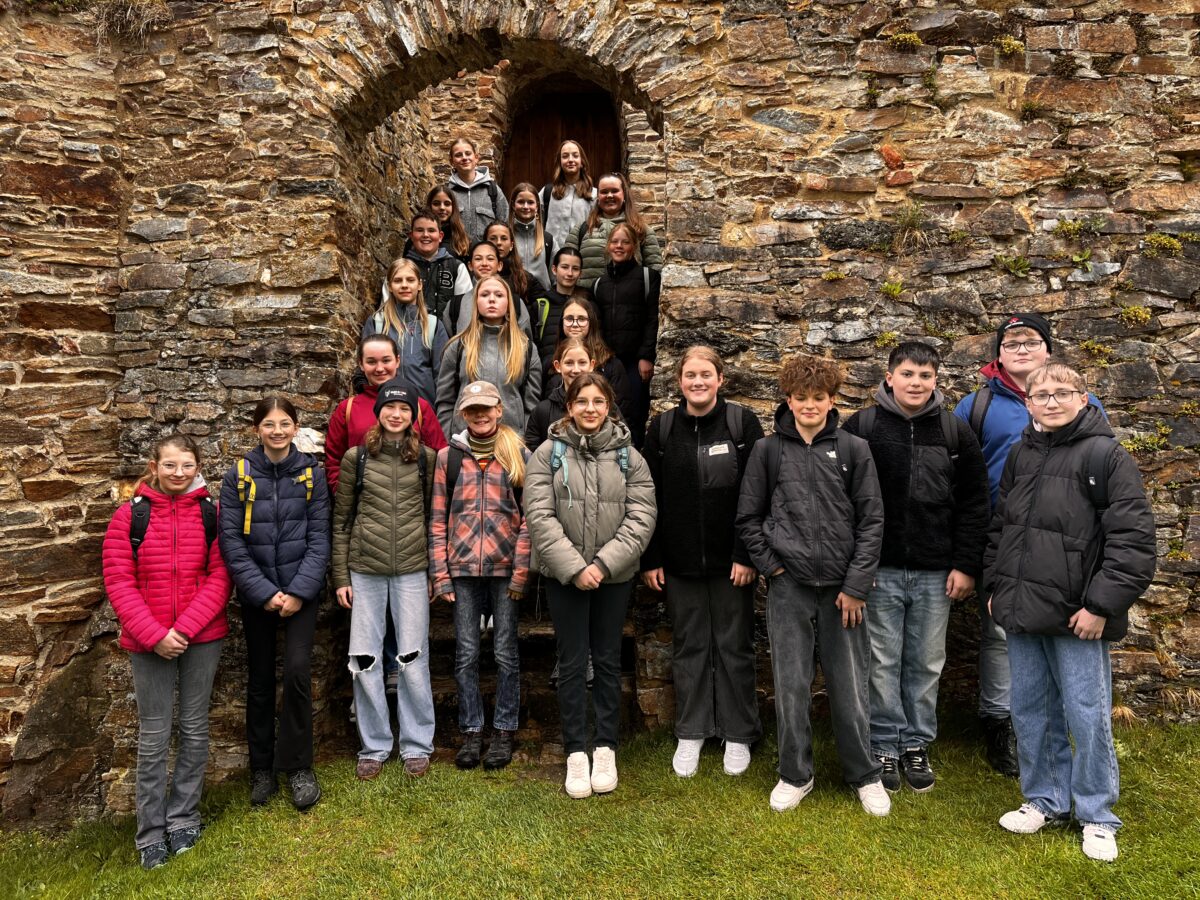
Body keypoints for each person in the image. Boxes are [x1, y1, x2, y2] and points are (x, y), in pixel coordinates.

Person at [983, 363, 1155, 862]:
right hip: (1022, 608)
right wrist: (995, 587)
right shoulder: (1021, 454)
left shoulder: (1106, 455)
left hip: (1078, 615)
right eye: (1041, 394)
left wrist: (1100, 606)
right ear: (1029, 403)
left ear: (1083, 398)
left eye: (1062, 392)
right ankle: (1045, 799)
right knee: (1030, 710)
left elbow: (1132, 540)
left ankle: (1097, 814)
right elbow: (1002, 527)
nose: (1051, 401)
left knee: (1086, 714)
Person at [953, 312, 1106, 778]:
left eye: (1031, 341)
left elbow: (1103, 473)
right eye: (1011, 342)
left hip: (1066, 548)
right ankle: (1001, 722)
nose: (1021, 349)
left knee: (1067, 641)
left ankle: (1062, 731)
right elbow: (958, 481)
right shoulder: (975, 406)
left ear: (1048, 351)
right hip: (1004, 542)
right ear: (998, 354)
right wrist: (970, 553)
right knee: (1002, 636)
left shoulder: (1085, 405)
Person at [735, 355, 888, 816]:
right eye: (800, 397)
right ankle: (794, 774)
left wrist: (856, 585)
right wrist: (773, 569)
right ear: (788, 399)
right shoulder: (768, 451)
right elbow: (749, 518)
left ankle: (864, 775)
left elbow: (872, 520)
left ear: (832, 400)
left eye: (818, 397)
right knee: (791, 684)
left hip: (844, 592)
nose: (809, 405)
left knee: (850, 686)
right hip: (790, 587)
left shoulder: (854, 449)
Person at [841, 342, 990, 794]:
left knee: (925, 662)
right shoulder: (863, 427)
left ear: (936, 380)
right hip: (879, 570)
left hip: (935, 572)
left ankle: (916, 743)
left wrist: (965, 564)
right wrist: (857, 567)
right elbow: (842, 502)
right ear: (889, 378)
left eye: (925, 376)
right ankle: (884, 744)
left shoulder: (954, 431)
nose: (916, 383)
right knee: (881, 662)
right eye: (907, 374)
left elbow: (975, 503)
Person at [101, 434, 231, 870]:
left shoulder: (212, 514)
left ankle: (183, 819)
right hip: (147, 640)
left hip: (202, 636)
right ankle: (150, 833)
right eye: (171, 465)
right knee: (154, 735)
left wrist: (185, 629)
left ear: (198, 468)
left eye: (187, 465)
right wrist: (155, 634)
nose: (179, 473)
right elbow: (119, 581)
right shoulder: (129, 516)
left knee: (194, 728)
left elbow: (221, 576)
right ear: (154, 467)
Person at [524, 373, 657, 799]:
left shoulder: (629, 457)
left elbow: (641, 516)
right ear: (569, 406)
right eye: (582, 401)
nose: (590, 409)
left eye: (598, 401)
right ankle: (576, 751)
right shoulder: (548, 454)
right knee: (571, 662)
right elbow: (539, 517)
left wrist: (601, 564)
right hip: (565, 577)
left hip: (613, 576)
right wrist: (576, 568)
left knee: (607, 660)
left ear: (609, 405)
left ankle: (605, 747)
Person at [641, 346, 765, 779]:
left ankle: (738, 732)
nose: (698, 381)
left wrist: (746, 554)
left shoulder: (741, 424)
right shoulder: (662, 428)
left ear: (720, 379)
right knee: (689, 646)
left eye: (706, 374)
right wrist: (652, 557)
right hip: (679, 563)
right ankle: (692, 731)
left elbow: (756, 494)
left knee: (735, 647)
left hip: (733, 564)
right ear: (679, 381)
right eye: (690, 375)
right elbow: (647, 497)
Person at [217, 397, 331, 811]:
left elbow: (320, 537)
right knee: (261, 679)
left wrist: (299, 591)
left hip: (302, 591)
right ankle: (261, 769)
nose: (277, 431)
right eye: (269, 424)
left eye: (285, 424)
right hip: (257, 594)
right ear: (257, 429)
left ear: (296, 428)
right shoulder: (239, 476)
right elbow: (231, 541)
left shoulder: (312, 475)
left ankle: (298, 767)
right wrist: (264, 593)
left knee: (297, 673)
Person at [332, 379, 438, 780]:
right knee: (365, 659)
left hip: (412, 569)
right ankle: (374, 745)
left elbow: (433, 519)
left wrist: (433, 571)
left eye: (404, 409)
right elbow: (341, 521)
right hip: (364, 570)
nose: (396, 414)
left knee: (413, 658)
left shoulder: (426, 458)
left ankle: (417, 744)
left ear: (413, 416)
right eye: (390, 408)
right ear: (379, 413)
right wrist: (340, 576)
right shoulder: (357, 458)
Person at [430, 381, 532, 772]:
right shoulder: (449, 459)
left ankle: (504, 729)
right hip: (462, 570)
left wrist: (521, 571)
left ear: (499, 410)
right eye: (472, 410)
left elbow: (529, 519)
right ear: (463, 414)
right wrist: (441, 574)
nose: (480, 415)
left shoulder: (518, 454)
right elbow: (438, 519)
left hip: (505, 569)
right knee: (466, 653)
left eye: (486, 408)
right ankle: (472, 730)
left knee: (505, 652)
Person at [326, 335, 446, 494]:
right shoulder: (347, 409)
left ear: (397, 361)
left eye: (386, 360)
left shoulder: (419, 407)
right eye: (371, 362)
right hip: (363, 504)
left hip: (410, 503)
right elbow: (334, 461)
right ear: (361, 364)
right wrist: (346, 495)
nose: (379, 368)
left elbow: (439, 457)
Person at [436, 276, 541, 437]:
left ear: (508, 303)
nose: (492, 299)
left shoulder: (526, 348)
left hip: (511, 441)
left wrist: (523, 442)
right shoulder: (458, 346)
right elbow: (445, 401)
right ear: (476, 302)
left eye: (499, 295)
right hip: (465, 440)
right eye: (485, 295)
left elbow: (531, 406)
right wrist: (449, 440)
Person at [589, 222, 660, 445]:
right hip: (607, 361)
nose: (619, 246)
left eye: (625, 242)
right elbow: (596, 326)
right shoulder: (599, 284)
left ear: (634, 247)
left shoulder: (648, 278)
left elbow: (653, 319)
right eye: (615, 241)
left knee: (635, 415)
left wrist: (646, 356)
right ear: (608, 246)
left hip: (635, 363)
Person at [362, 257, 449, 406]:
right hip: (385, 407)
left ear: (419, 285)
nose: (404, 285)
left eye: (410, 280)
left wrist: (441, 412)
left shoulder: (433, 325)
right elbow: (364, 367)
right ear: (389, 286)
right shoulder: (377, 323)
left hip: (424, 407)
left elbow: (442, 376)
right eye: (397, 281)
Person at [544, 297, 635, 424]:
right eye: (569, 319)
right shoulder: (550, 363)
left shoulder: (610, 365)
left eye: (581, 319)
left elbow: (622, 414)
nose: (575, 324)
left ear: (591, 322)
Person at [565, 171, 663, 290]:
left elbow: (655, 274)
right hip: (587, 299)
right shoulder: (581, 229)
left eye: (614, 191)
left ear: (624, 194)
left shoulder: (641, 230)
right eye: (604, 192)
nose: (609, 195)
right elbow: (566, 267)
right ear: (598, 196)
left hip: (629, 299)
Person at [446, 240, 532, 337]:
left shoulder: (515, 302)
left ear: (499, 265)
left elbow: (525, 341)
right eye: (478, 259)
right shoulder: (455, 305)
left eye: (490, 259)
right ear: (470, 266)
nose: (484, 263)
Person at [525, 337, 595, 451]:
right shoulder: (543, 411)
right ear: (558, 366)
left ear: (591, 365)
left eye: (582, 363)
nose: (576, 370)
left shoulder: (604, 407)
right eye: (569, 363)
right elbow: (532, 454)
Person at [404, 209, 473, 322]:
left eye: (431, 230)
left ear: (440, 236)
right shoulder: (400, 268)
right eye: (420, 230)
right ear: (411, 236)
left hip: (446, 332)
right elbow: (388, 307)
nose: (425, 235)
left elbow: (467, 310)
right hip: (406, 331)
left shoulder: (456, 268)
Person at [485, 220, 550, 326]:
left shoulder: (525, 278)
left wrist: (521, 313)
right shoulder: (477, 274)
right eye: (493, 238)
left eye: (504, 238)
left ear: (511, 245)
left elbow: (543, 304)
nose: (498, 243)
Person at [534, 246, 586, 375]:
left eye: (575, 268)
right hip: (548, 375)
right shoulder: (541, 305)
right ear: (554, 269)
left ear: (580, 273)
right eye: (564, 267)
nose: (570, 273)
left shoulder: (589, 304)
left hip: (581, 374)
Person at [447, 137, 508, 244]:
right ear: (452, 161)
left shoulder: (493, 190)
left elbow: (505, 225)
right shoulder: (447, 192)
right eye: (458, 155)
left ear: (476, 158)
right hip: (455, 252)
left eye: (468, 153)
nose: (464, 158)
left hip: (486, 252)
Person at [540, 139, 596, 251]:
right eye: (565, 156)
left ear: (582, 161)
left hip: (582, 254)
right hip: (552, 256)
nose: (570, 160)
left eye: (575, 156)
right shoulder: (547, 192)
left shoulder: (593, 194)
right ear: (560, 162)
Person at [509, 181, 554, 288]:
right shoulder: (505, 237)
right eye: (521, 202)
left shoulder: (547, 239)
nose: (526, 206)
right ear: (513, 205)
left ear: (537, 206)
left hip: (541, 296)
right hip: (512, 295)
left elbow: (555, 277)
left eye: (530, 202)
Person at [426, 185, 470, 260]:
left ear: (453, 207)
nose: (442, 207)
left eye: (447, 204)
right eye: (436, 203)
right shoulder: (418, 237)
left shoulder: (463, 240)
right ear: (429, 206)